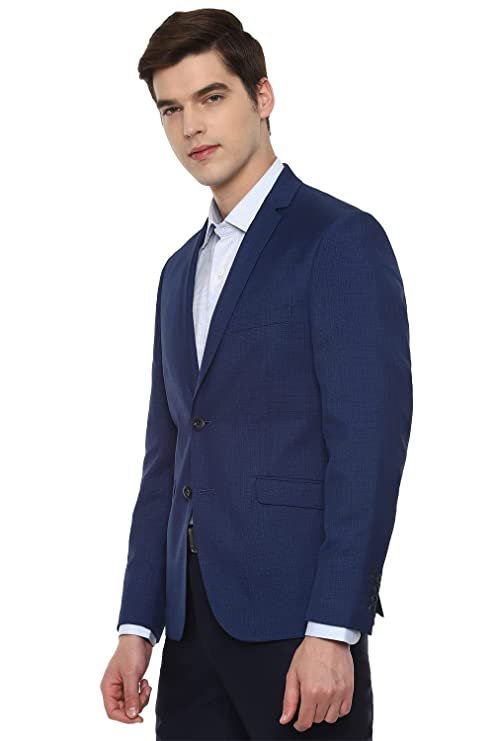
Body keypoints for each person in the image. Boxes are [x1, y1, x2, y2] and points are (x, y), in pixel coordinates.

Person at [100, 8, 413, 740]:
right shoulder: (178, 272)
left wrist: (334, 627)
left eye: (211, 97)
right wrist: (137, 623)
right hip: (190, 631)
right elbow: (166, 458)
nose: (191, 127)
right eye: (170, 109)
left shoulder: (339, 240)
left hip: (297, 627)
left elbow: (368, 448)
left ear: (262, 95)